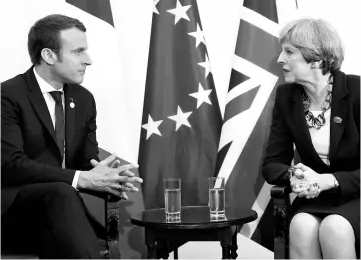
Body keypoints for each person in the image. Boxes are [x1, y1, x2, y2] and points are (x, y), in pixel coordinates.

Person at [1, 14, 143, 258]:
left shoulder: (84, 99)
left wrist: (110, 177)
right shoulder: (8, 96)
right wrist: (80, 179)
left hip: (62, 211)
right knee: (61, 193)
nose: (88, 60)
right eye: (78, 52)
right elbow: (10, 165)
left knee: (64, 211)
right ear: (49, 55)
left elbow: (86, 163)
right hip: (13, 213)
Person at [262, 18, 359, 259]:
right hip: (314, 198)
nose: (280, 60)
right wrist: (294, 176)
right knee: (301, 226)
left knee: (334, 228)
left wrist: (330, 180)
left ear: (316, 59)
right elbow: (272, 163)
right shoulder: (286, 97)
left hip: (356, 194)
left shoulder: (357, 92)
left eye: (289, 52)